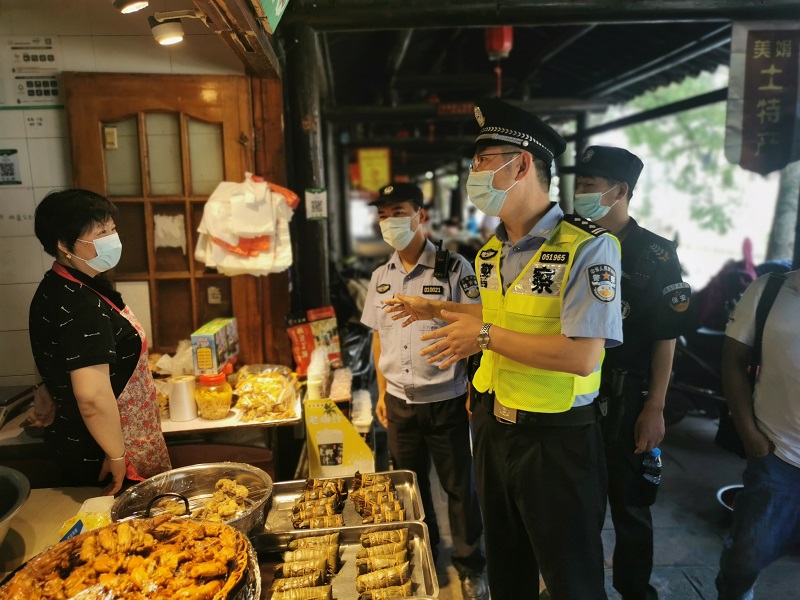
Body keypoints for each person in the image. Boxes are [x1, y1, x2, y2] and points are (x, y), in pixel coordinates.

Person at [386, 100, 623, 600]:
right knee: (507, 570)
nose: (474, 173)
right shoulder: (492, 251)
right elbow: (500, 316)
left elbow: (582, 355)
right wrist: (438, 309)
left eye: (483, 160)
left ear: (522, 164)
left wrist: (484, 337)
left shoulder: (587, 246)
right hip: (494, 428)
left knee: (571, 580)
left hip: (556, 439)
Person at [360, 182, 489, 600]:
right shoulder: (380, 277)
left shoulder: (454, 268)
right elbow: (378, 336)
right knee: (409, 489)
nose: (389, 221)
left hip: (446, 398)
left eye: (398, 212)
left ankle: (470, 564)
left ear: (420, 215)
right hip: (399, 402)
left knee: (459, 487)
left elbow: (478, 325)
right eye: (383, 215)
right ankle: (425, 554)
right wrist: (382, 392)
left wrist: (471, 388)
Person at [574, 146, 692, 600]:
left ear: (620, 190)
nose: (578, 193)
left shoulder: (656, 255)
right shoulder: (569, 241)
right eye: (577, 184)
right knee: (576, 503)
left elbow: (666, 337)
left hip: (627, 397)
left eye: (588, 185)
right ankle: (579, 588)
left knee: (630, 505)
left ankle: (634, 590)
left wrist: (655, 407)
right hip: (572, 391)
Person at [28, 189, 171, 496]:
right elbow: (91, 397)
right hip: (103, 453)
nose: (112, 239)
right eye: (100, 233)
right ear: (64, 245)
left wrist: (44, 387)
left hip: (86, 440)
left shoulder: (61, 284)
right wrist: (117, 456)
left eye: (112, 229)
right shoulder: (81, 303)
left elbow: (56, 350)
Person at [715, 268, 800, 600]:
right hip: (778, 452)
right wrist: (749, 433)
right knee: (744, 560)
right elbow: (733, 358)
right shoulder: (771, 289)